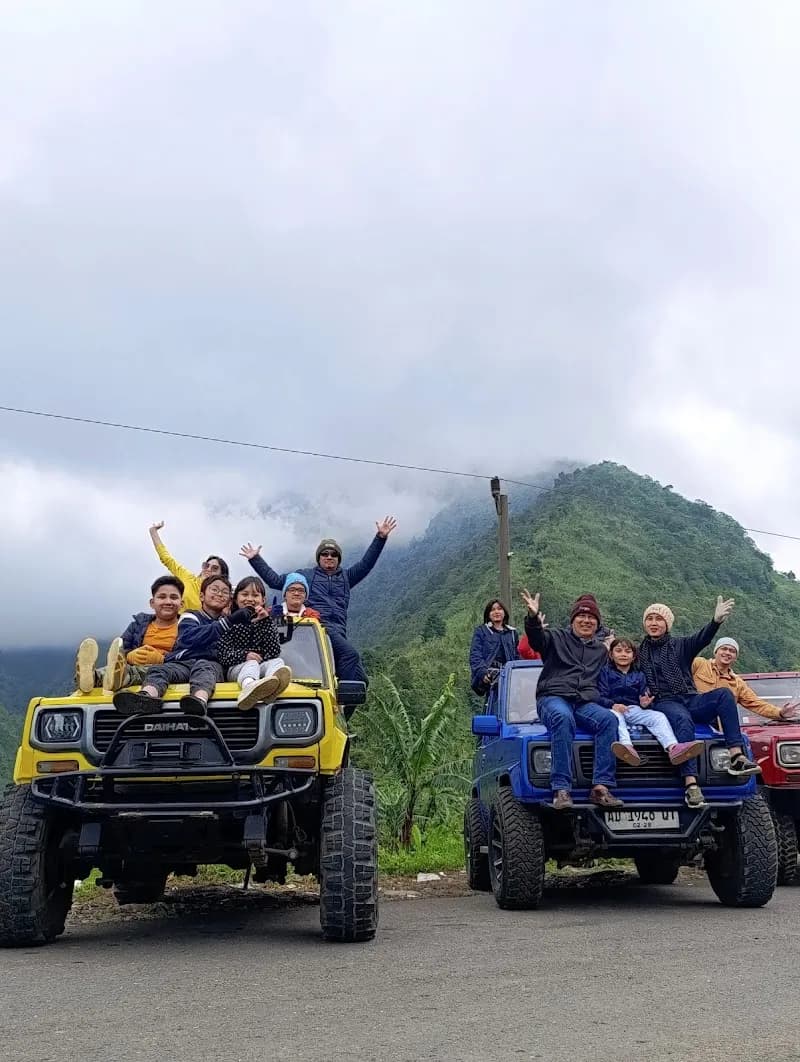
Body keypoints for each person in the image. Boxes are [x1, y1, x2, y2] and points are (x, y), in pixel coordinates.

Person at [240, 516, 397, 684]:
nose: (329, 557)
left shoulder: (347, 577)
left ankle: (343, 698)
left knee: (360, 680)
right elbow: (276, 581)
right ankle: (336, 698)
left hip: (339, 632)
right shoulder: (306, 576)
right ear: (319, 557)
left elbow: (366, 564)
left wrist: (380, 537)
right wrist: (255, 559)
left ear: (338, 558)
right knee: (350, 655)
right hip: (318, 626)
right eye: (325, 553)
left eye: (334, 554)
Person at [637, 599, 761, 809]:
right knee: (683, 719)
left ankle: (736, 756)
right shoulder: (639, 653)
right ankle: (691, 784)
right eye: (650, 618)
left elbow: (702, 638)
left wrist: (715, 621)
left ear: (667, 623)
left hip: (689, 696)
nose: (654, 623)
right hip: (663, 700)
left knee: (724, 694)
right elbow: (621, 666)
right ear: (645, 623)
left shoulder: (681, 645)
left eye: (659, 619)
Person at [521, 589, 623, 810]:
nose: (586, 621)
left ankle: (600, 787)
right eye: (581, 616)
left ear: (597, 624)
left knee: (609, 720)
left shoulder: (600, 651)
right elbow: (537, 640)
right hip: (553, 697)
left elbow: (617, 673)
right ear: (573, 620)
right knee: (563, 717)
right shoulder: (556, 638)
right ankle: (561, 789)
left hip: (583, 702)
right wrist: (532, 618)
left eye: (591, 618)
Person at [113, 574, 237, 717]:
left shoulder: (232, 622)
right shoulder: (190, 617)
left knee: (203, 667)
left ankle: (199, 701)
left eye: (225, 592)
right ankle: (146, 696)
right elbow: (189, 637)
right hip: (182, 664)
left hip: (210, 665)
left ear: (230, 599)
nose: (219, 594)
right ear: (201, 596)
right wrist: (129, 655)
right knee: (160, 669)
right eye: (214, 590)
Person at [598, 637, 704, 767]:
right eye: (618, 651)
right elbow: (600, 695)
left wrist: (645, 704)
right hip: (613, 708)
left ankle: (673, 747)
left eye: (627, 651)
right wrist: (612, 705)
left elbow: (644, 696)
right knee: (616, 717)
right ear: (611, 655)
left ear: (634, 656)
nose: (623, 654)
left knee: (658, 716)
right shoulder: (605, 672)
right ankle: (627, 747)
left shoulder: (639, 675)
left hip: (632, 708)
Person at [75, 576, 185, 694]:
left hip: (166, 671)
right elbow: (120, 650)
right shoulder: (138, 625)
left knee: (138, 672)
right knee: (110, 670)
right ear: (152, 603)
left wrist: (162, 659)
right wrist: (129, 656)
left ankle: (118, 678)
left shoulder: (189, 627)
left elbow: (192, 657)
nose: (168, 602)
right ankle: (91, 677)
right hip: (133, 666)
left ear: (182, 604)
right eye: (162, 597)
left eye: (174, 597)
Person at [218, 576, 292, 710]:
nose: (250, 599)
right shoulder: (229, 621)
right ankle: (249, 688)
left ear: (263, 600)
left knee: (278, 661)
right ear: (235, 598)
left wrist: (265, 622)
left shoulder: (266, 622)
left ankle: (272, 689)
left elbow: (273, 652)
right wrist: (245, 655)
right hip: (235, 669)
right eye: (245, 594)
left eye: (255, 595)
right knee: (251, 664)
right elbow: (222, 655)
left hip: (259, 667)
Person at [692, 637, 800, 722]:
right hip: (691, 717)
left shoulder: (737, 683)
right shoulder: (699, 664)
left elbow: (756, 704)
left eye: (732, 651)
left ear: (735, 657)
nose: (728, 653)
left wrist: (780, 713)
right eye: (724, 649)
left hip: (718, 726)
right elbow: (682, 672)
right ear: (716, 651)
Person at [148, 520, 228, 611]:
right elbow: (167, 559)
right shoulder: (188, 577)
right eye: (206, 565)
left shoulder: (222, 596)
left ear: (222, 576)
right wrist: (153, 531)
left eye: (215, 568)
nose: (208, 569)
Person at [469, 599, 519, 695]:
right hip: (489, 678)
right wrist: (482, 673)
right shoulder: (482, 631)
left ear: (504, 612)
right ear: (488, 614)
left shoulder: (512, 633)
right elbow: (475, 655)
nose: (496, 612)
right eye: (492, 610)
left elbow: (516, 655)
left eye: (499, 609)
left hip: (509, 677)